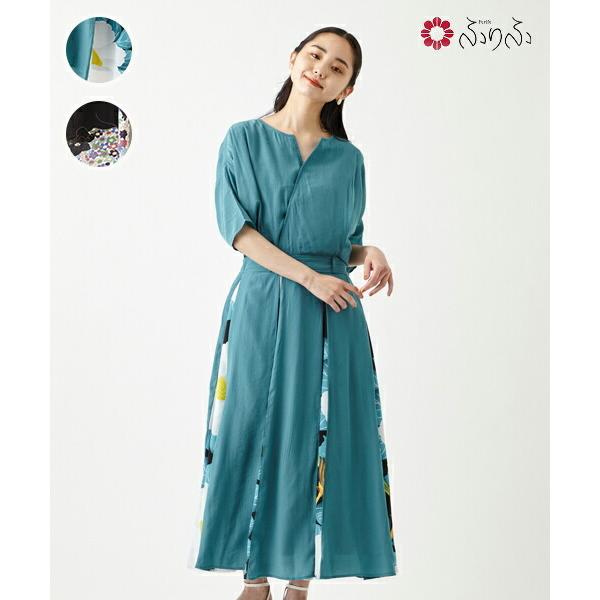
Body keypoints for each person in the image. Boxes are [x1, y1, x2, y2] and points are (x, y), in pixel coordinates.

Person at [188, 26, 397, 600]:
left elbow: (342, 243)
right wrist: (308, 277)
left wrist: (369, 252)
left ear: (346, 90)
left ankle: (300, 584)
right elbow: (238, 231)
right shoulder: (243, 139)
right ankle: (254, 579)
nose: (321, 69)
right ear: (294, 59)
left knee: (319, 435)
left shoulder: (349, 159)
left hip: (332, 313)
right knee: (249, 428)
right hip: (263, 303)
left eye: (338, 68)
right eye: (315, 55)